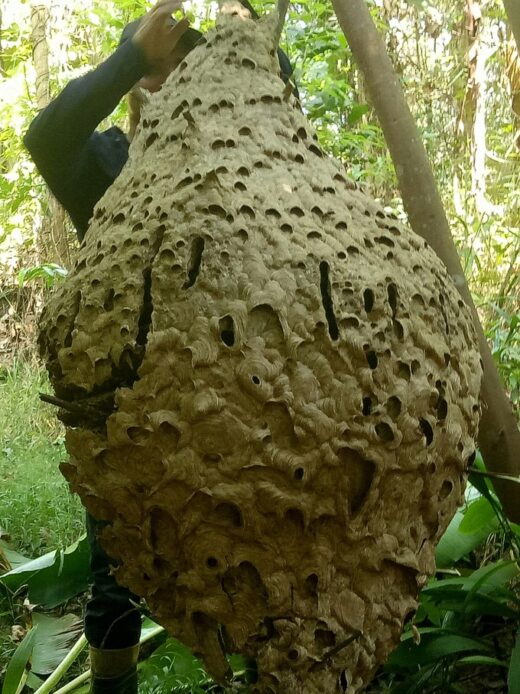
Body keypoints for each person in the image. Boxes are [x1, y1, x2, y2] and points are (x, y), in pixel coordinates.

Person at [24, 1, 297, 692]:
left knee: (260, 549)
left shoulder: (247, 168)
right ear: (138, 89)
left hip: (242, 401)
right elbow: (47, 137)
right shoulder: (109, 163)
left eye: (187, 74)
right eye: (159, 75)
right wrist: (129, 59)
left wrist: (244, 39)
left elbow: (280, 101)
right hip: (128, 410)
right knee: (115, 572)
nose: (174, 89)